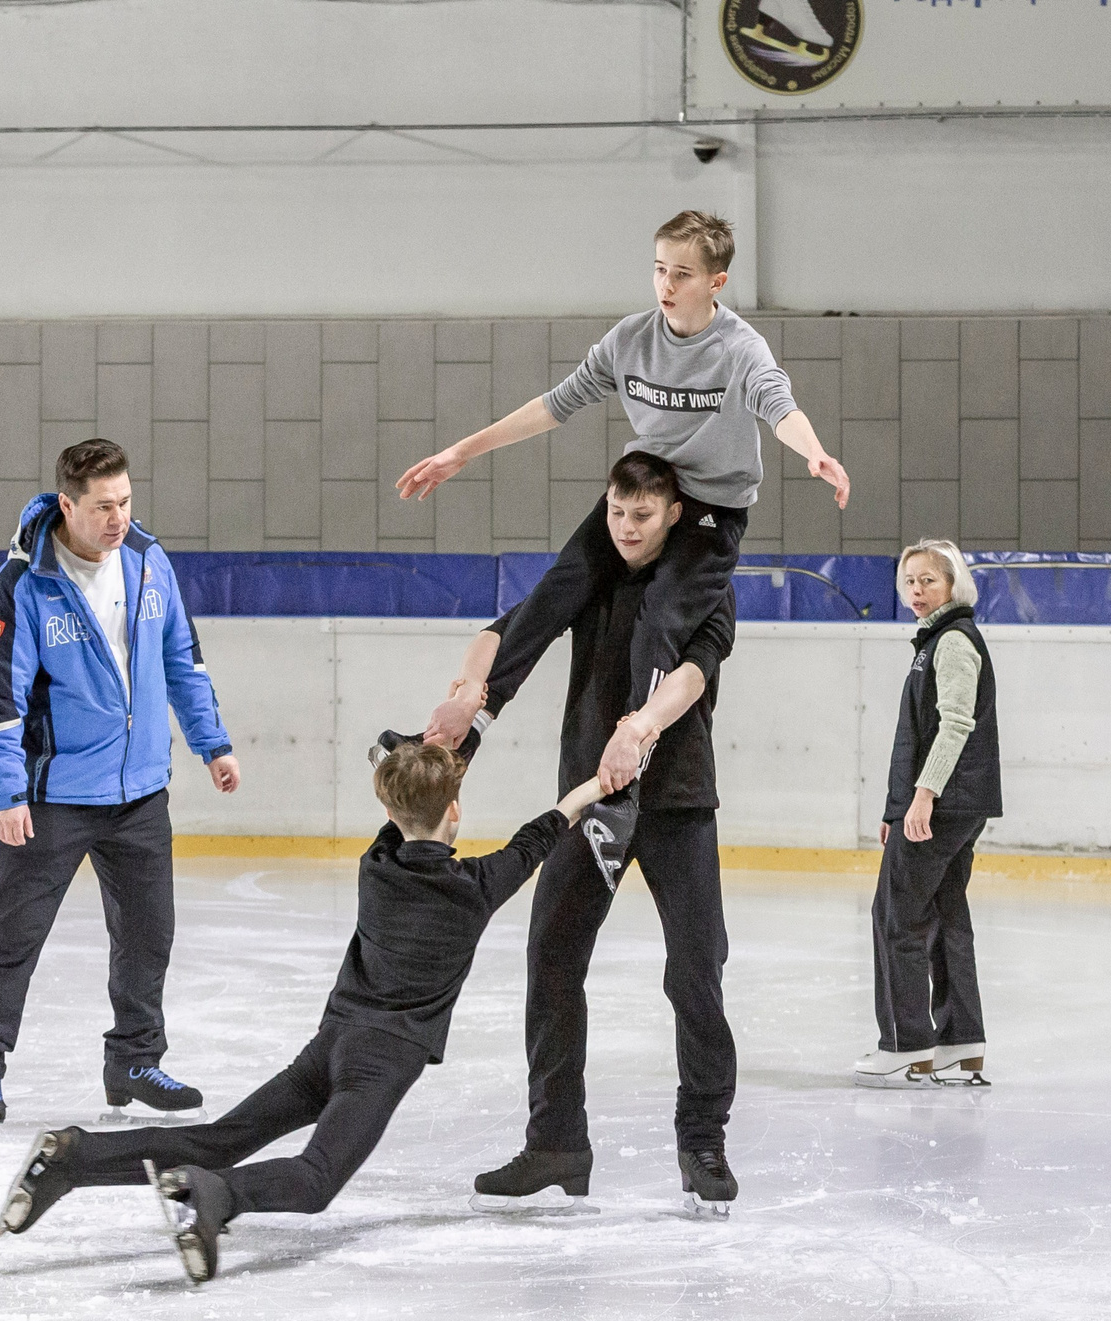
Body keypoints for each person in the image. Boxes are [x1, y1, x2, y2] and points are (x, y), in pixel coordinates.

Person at [0, 740, 608, 1284]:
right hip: (383, 1060)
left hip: (329, 1045)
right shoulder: (477, 887)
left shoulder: (377, 866)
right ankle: (216, 1195)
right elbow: (543, 832)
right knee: (317, 1179)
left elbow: (408, 805)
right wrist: (597, 785)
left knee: (217, 1138)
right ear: (456, 810)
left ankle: (74, 1157)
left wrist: (424, 761)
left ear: (389, 814)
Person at [395, 209, 847, 768]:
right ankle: (471, 726)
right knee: (558, 591)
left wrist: (814, 451)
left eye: (682, 273)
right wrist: (461, 451)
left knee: (659, 617)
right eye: (659, 269)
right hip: (644, 491)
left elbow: (779, 404)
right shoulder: (631, 339)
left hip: (711, 508)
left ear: (716, 282)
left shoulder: (740, 349)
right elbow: (556, 404)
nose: (666, 285)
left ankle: (631, 753)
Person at [424, 451, 743, 1214]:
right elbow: (505, 631)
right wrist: (469, 691)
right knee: (553, 958)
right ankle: (557, 1142)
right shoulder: (593, 569)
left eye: (642, 515)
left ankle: (703, 1137)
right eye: (615, 513)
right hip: (589, 800)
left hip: (675, 801)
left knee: (696, 969)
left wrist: (639, 728)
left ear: (672, 513)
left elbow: (693, 674)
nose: (627, 529)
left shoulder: (701, 582)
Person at [0, 439, 239, 1137]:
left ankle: (135, 1062)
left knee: (148, 934)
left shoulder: (147, 559)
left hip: (140, 790)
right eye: (104, 506)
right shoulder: (24, 584)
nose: (119, 518)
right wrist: (7, 793)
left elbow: (184, 659)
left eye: (126, 502)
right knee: (13, 934)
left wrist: (213, 744)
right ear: (67, 506)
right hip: (53, 794)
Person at [855, 540, 1003, 1089]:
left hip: (944, 803)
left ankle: (906, 1043)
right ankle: (960, 1037)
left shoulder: (954, 641)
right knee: (942, 913)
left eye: (929, 581)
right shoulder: (937, 641)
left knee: (895, 915)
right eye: (910, 581)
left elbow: (955, 725)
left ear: (953, 584)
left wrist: (922, 796)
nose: (917, 591)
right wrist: (900, 806)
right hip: (949, 803)